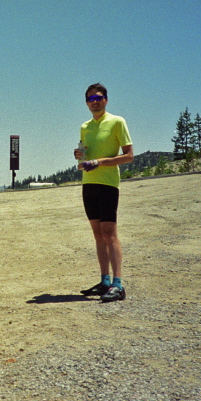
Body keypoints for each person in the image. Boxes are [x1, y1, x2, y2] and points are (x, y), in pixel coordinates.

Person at [73, 83, 134, 302]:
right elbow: (87, 153)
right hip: (88, 183)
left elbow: (128, 156)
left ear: (106, 99)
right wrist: (80, 155)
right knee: (98, 234)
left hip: (108, 184)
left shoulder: (117, 122)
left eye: (98, 98)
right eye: (90, 99)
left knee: (109, 233)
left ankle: (119, 285)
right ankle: (105, 281)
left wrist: (99, 162)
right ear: (86, 102)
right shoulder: (85, 126)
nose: (94, 102)